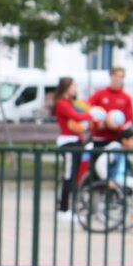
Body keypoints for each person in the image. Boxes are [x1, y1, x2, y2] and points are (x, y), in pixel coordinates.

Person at [90, 128, 133, 225]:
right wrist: (107, 180)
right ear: (124, 140)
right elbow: (100, 164)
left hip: (121, 178)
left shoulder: (122, 151)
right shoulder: (114, 151)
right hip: (115, 179)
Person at [52, 77, 91, 221]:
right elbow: (76, 116)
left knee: (75, 176)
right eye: (73, 86)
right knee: (69, 176)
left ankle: (71, 208)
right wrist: (91, 114)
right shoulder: (62, 103)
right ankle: (63, 209)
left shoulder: (71, 102)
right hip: (68, 142)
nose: (75, 89)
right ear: (66, 87)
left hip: (76, 141)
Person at [87, 66, 133, 148]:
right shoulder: (99, 94)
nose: (118, 79)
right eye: (115, 75)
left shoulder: (126, 97)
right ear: (111, 76)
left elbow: (129, 120)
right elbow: (87, 108)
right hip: (100, 137)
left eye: (121, 76)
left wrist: (117, 127)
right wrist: (98, 123)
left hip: (117, 138)